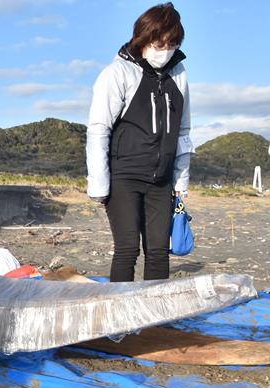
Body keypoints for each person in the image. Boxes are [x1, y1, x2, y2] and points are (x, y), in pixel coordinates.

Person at [86, 2, 192, 282]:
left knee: (158, 251)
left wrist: (181, 182)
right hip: (125, 177)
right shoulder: (117, 73)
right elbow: (98, 130)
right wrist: (99, 184)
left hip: (162, 180)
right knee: (127, 249)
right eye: (159, 43)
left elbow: (183, 132)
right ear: (143, 39)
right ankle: (120, 319)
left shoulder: (178, 74)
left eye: (172, 43)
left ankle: (155, 320)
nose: (165, 50)